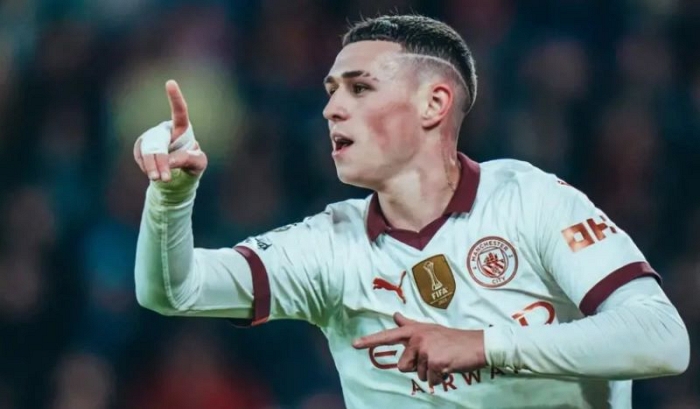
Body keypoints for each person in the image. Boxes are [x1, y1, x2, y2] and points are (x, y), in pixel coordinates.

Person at [133, 14, 690, 409]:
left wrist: (483, 346)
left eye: (359, 88)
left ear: (433, 103)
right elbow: (173, 291)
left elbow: (663, 338)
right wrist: (171, 197)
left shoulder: (530, 200)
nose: (331, 108)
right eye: (331, 90)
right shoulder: (328, 244)